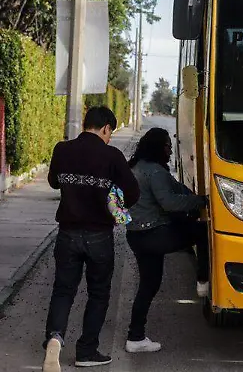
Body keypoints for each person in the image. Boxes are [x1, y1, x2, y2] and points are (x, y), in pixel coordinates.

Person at [42, 107, 140, 371]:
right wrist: (113, 202)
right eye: (110, 133)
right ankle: (86, 351)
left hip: (67, 233)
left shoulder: (62, 149)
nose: (109, 137)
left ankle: (55, 338)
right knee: (98, 293)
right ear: (106, 128)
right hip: (99, 235)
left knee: (63, 289)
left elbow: (53, 182)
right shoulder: (112, 155)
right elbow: (133, 192)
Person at [123, 127, 209, 353]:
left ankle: (135, 337)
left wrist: (191, 198)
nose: (171, 151)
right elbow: (169, 202)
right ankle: (203, 281)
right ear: (158, 147)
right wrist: (201, 201)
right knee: (202, 232)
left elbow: (176, 188)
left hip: (136, 235)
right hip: (154, 235)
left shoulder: (135, 167)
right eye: (168, 146)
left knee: (148, 285)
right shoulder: (155, 172)